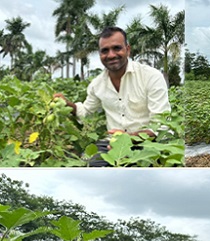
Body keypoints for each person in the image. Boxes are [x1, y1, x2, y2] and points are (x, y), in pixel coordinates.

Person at [54, 26, 171, 166]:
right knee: (85, 162)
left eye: (117, 48)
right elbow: (86, 112)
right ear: (100, 54)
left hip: (148, 143)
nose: (110, 55)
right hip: (111, 144)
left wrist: (128, 139)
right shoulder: (97, 84)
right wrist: (67, 104)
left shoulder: (150, 77)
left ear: (128, 49)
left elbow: (160, 125)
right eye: (105, 50)